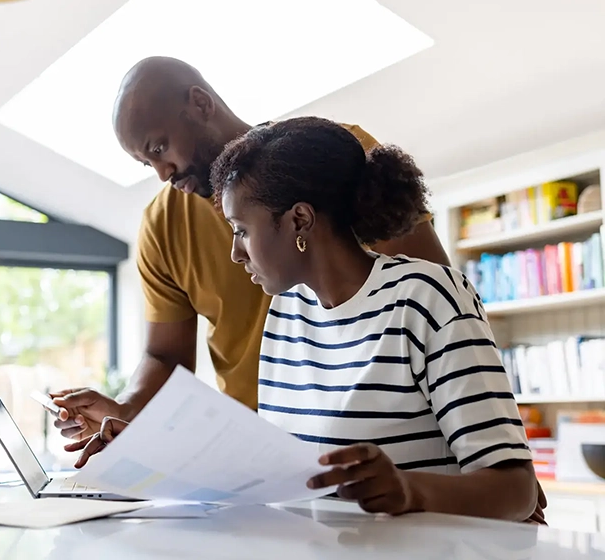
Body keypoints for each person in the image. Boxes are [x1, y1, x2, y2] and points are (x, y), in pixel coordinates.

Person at [69, 117, 540, 522]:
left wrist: (409, 490)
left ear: (298, 221)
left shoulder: (427, 296)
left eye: (242, 230)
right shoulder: (287, 314)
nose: (235, 252)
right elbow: (279, 471)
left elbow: (516, 491)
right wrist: (146, 452)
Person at [49, 56, 450, 442]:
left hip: (375, 429)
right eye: (145, 163)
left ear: (200, 103)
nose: (162, 173)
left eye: (159, 148)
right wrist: (124, 410)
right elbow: (165, 357)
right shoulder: (161, 225)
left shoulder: (333, 158)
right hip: (258, 449)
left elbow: (435, 296)